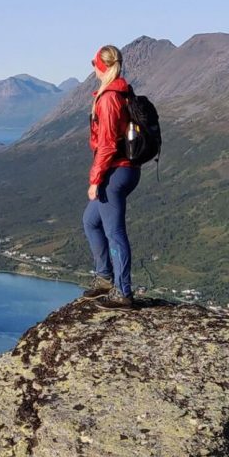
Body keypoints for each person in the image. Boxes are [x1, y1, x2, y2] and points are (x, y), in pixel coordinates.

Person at [82, 45, 141, 307]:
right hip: (126, 169)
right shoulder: (123, 91)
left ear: (101, 66)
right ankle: (105, 278)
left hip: (115, 171)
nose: (93, 67)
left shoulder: (108, 98)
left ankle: (123, 292)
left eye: (94, 63)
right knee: (90, 221)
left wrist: (95, 181)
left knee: (114, 232)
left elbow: (106, 144)